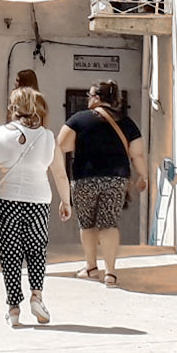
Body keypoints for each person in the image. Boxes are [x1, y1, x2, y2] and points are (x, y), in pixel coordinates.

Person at [0, 87, 72, 327]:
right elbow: (60, 174)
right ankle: (37, 297)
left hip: (7, 202)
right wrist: (66, 201)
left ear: (13, 107)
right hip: (38, 202)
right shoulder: (48, 137)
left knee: (10, 255)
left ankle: (14, 308)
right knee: (36, 250)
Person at [56, 81, 149, 286]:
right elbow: (137, 153)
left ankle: (90, 267)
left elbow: (61, 145)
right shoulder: (126, 122)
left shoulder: (78, 119)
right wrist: (143, 176)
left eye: (89, 95)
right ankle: (110, 273)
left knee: (87, 224)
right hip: (116, 179)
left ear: (97, 97)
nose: (88, 99)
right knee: (109, 224)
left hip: (84, 178)